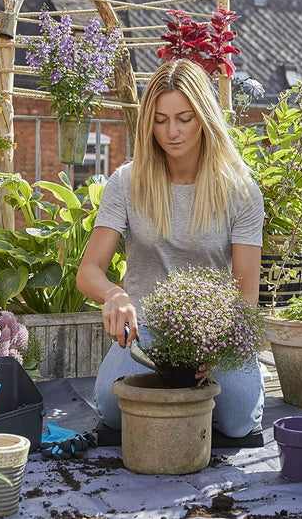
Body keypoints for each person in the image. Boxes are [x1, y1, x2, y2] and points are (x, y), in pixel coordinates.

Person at [76, 59, 265, 438]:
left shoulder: (240, 191)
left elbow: (245, 298)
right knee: (112, 410)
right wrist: (114, 294)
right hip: (147, 331)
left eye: (184, 118)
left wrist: (218, 352)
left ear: (204, 118)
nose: (172, 132)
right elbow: (89, 272)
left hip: (216, 332)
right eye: (160, 120)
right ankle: (181, 411)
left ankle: (183, 408)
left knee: (237, 421)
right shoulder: (126, 183)